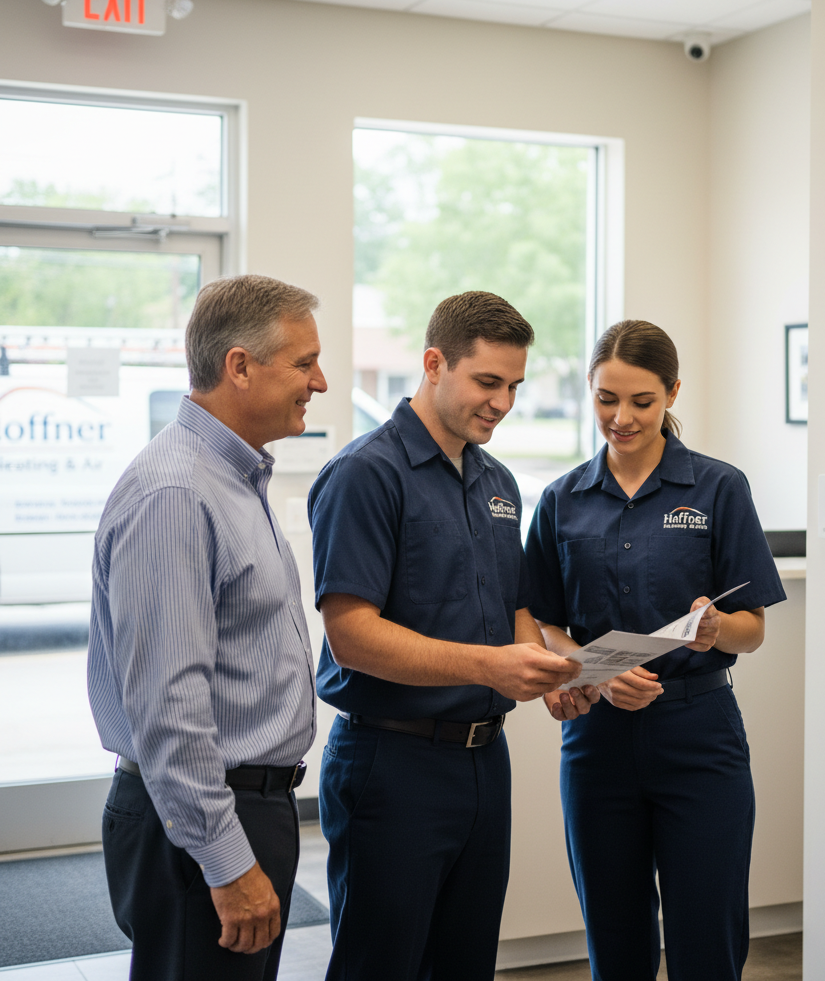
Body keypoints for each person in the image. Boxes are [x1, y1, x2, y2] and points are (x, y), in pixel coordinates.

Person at [309, 291, 587, 981]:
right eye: (487, 382)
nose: (503, 403)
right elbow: (353, 638)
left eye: (515, 387)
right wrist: (492, 666)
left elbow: (515, 607)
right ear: (434, 364)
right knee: (383, 965)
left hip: (483, 763)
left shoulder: (499, 483)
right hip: (391, 763)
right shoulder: (365, 475)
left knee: (465, 964)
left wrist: (554, 672)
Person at [525, 319, 787, 981]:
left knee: (708, 932)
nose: (622, 417)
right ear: (588, 389)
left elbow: (752, 627)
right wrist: (594, 670)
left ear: (671, 393)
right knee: (614, 935)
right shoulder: (560, 501)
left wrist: (715, 627)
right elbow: (543, 623)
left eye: (642, 401)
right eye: (606, 398)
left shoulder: (718, 488)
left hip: (700, 736)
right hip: (598, 743)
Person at [87, 274, 328, 981]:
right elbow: (168, 708)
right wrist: (227, 864)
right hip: (200, 820)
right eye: (304, 362)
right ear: (240, 366)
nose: (320, 380)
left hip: (244, 806)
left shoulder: (234, 479)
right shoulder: (177, 494)